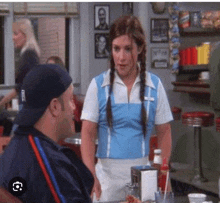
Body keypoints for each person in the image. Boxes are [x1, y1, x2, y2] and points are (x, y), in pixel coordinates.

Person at [81, 15, 173, 202]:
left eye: (128, 49)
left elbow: (164, 132)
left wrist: (162, 171)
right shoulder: (98, 85)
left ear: (139, 49)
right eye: (116, 49)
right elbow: (87, 134)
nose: (121, 57)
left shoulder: (154, 85)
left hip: (143, 174)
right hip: (106, 178)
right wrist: (90, 174)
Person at [0, 64, 94, 202]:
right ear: (55, 106)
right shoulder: (48, 164)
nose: (74, 108)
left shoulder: (16, 147)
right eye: (70, 100)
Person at [0, 18, 40, 110]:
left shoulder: (29, 54)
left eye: (16, 33)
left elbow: (20, 87)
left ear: (25, 35)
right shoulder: (29, 54)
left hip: (29, 107)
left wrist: (1, 103)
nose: (13, 37)